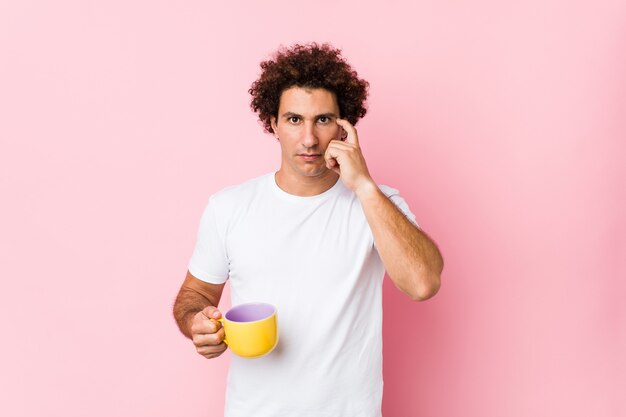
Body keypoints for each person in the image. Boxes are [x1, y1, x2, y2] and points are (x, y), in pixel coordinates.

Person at [173, 42, 443, 417]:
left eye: (323, 119)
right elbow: (196, 293)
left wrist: (364, 186)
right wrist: (197, 321)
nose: (309, 139)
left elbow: (423, 283)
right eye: (294, 119)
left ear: (344, 125)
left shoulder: (378, 204)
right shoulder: (228, 207)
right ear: (273, 123)